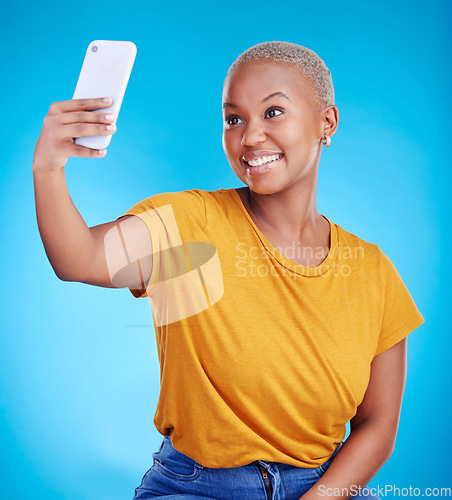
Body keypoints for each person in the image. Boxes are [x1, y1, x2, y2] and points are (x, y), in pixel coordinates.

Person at [32, 41, 424, 500]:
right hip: (196, 488)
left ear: (327, 122)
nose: (250, 136)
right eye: (234, 119)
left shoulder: (373, 273)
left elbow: (377, 426)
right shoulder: (188, 226)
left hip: (325, 488)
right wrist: (48, 167)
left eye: (273, 112)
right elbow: (78, 260)